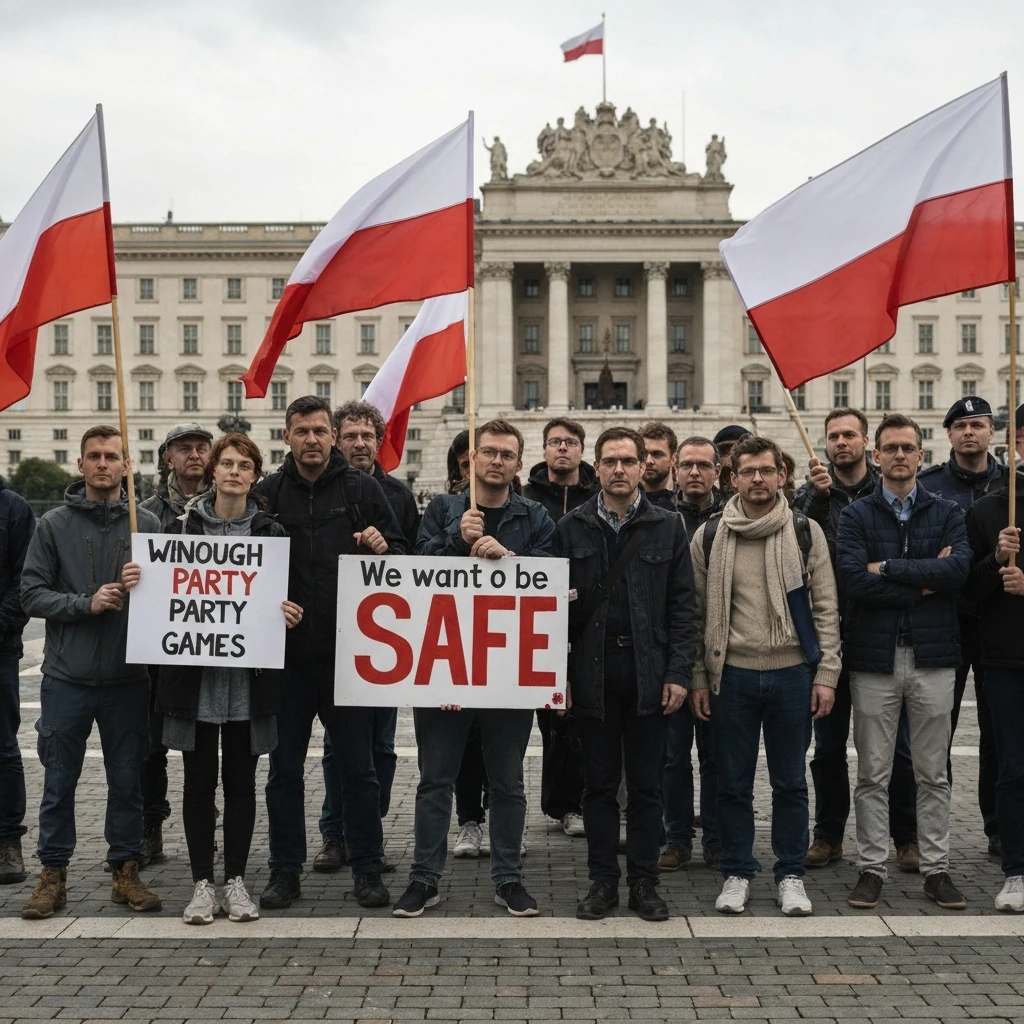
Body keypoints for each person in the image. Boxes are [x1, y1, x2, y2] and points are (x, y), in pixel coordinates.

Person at [126, 434, 303, 924]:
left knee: (242, 784)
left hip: (249, 680)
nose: (234, 472)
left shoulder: (272, 534)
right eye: (226, 463)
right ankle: (203, 883)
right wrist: (138, 582)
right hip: (195, 682)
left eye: (244, 465)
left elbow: (290, 593)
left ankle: (237, 881)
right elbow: (159, 595)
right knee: (198, 783)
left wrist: (291, 612)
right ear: (213, 472)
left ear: (254, 475)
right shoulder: (179, 530)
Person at [392, 419, 556, 918]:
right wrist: (454, 537)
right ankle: (424, 878)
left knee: (508, 782)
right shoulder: (443, 509)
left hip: (508, 668)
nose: (496, 461)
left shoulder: (536, 516)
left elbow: (551, 579)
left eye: (506, 454)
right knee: (434, 780)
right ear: (473, 458)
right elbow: (414, 569)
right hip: (446, 662)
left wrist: (508, 557)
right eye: (488, 452)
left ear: (518, 464)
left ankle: (508, 878)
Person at [255, 396, 406, 911]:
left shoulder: (362, 489)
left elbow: (404, 560)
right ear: (287, 437)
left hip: (350, 656)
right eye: (302, 431)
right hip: (289, 659)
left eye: (320, 430)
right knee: (284, 772)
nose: (312, 439)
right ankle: (284, 870)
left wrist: (385, 547)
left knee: (359, 771)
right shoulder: (267, 493)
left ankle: (366, 869)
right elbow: (246, 569)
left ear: (333, 437)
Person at [690, 435, 841, 916]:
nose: (758, 479)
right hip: (731, 675)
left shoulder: (804, 531)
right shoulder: (710, 535)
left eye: (767, 470)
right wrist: (698, 676)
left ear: (782, 475)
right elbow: (695, 614)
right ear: (732, 478)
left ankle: (790, 873)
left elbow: (826, 608)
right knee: (731, 783)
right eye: (748, 471)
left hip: (792, 673)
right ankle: (737, 871)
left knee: (790, 782)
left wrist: (827, 673)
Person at [19, 426, 163, 919]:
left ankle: (126, 871)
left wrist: (147, 584)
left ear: (126, 465)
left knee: (128, 782)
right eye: (95, 456)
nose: (103, 464)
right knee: (59, 781)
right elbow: (31, 593)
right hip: (67, 677)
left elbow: (173, 596)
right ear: (80, 465)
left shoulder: (147, 523)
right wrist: (86, 602)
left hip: (128, 677)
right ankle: (52, 875)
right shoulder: (53, 524)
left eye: (112, 456)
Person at [559, 426, 695, 922]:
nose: (619, 469)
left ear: (645, 467)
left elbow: (683, 607)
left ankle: (644, 881)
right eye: (610, 461)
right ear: (596, 468)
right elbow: (554, 611)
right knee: (597, 787)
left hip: (648, 671)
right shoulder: (570, 527)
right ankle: (602, 881)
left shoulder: (668, 526)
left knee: (646, 786)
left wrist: (678, 672)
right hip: (591, 672)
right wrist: (558, 674)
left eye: (629, 461)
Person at [838, 413, 971, 911]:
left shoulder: (947, 511)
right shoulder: (856, 515)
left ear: (921, 454)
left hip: (934, 657)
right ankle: (871, 869)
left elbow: (957, 571)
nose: (899, 455)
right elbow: (854, 580)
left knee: (933, 773)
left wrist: (889, 568)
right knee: (872, 773)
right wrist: (923, 580)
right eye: (890, 447)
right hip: (874, 659)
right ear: (876, 456)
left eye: (907, 447)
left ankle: (937, 869)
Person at [795, 408, 919, 872]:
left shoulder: (886, 492)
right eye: (833, 436)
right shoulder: (810, 496)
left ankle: (905, 836)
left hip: (880, 632)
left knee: (895, 747)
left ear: (867, 443)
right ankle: (828, 834)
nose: (841, 443)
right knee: (827, 748)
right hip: (828, 637)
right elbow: (796, 550)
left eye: (849, 435)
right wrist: (817, 499)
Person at [312, 400, 419, 873]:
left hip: (383, 642)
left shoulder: (398, 495)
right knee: (337, 747)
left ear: (380, 442)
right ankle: (334, 834)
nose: (359, 444)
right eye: (351, 435)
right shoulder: (321, 487)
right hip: (333, 639)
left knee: (382, 746)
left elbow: (412, 560)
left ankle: (367, 834)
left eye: (367, 436)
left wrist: (387, 549)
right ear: (337, 439)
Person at [919, 396, 1006, 856]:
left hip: (999, 623)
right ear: (948, 433)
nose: (969, 432)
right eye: (960, 425)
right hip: (946, 621)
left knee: (998, 733)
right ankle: (934, 831)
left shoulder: (1013, 485)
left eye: (977, 424)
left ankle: (998, 827)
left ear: (992, 432)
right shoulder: (929, 485)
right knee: (936, 733)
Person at [137, 421, 215, 867]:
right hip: (157, 648)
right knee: (151, 747)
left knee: (202, 747)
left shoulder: (226, 508)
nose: (194, 454)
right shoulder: (145, 514)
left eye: (202, 447)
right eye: (184, 448)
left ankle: (205, 824)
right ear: (168, 458)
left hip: (209, 645)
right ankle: (151, 825)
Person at [963, 404, 1024, 911]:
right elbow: (967, 590)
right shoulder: (990, 510)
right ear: (1018, 442)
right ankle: (1016, 868)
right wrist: (994, 560)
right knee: (1013, 768)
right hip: (1006, 658)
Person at [523, 417, 596, 839]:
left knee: (581, 717)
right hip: (537, 622)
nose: (562, 448)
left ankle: (577, 801)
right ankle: (556, 803)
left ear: (582, 450)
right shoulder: (525, 497)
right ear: (544, 449)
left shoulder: (597, 496)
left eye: (570, 442)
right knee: (548, 719)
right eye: (555, 442)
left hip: (584, 618)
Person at [660, 437, 722, 873]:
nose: (694, 472)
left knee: (718, 756)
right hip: (673, 652)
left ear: (719, 471)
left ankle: (717, 840)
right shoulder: (660, 518)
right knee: (672, 756)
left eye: (703, 465)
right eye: (687, 465)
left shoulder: (734, 515)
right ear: (675, 470)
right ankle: (677, 839)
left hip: (721, 654)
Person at [0, 475, 34, 884]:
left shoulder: (12, 506)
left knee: (4, 750)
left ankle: (8, 842)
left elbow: (24, 580)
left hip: (0, 649)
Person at [638, 422, 678, 510]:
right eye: (644, 454)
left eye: (657, 454)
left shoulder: (685, 503)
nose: (648, 461)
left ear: (672, 460)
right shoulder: (624, 503)